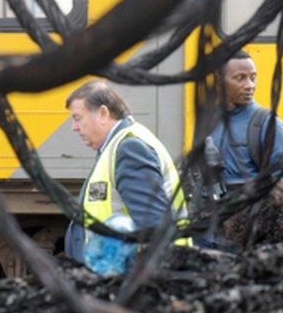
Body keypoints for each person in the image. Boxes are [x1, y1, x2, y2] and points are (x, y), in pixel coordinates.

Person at [62, 81, 190, 271]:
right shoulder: (114, 147)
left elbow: (154, 226)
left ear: (103, 113)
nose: (74, 127)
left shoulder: (129, 148)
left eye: (78, 118)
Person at [207, 50, 283, 247]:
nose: (250, 85)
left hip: (249, 240)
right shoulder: (209, 123)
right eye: (240, 78)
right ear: (219, 80)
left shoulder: (267, 125)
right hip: (211, 234)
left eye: (253, 78)